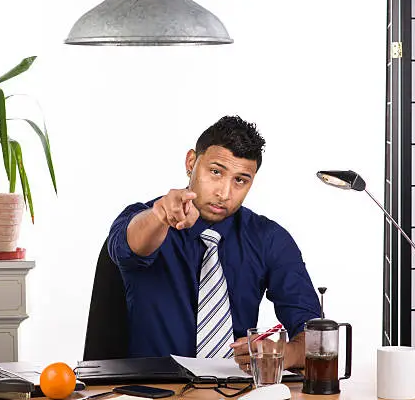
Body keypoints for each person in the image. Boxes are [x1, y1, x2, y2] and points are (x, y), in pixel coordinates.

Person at [107, 115, 320, 371]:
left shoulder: (269, 239)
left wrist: (288, 353)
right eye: (216, 172)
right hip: (155, 389)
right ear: (191, 162)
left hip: (235, 389)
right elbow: (131, 247)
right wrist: (159, 217)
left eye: (240, 180)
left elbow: (316, 334)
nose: (224, 193)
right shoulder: (144, 219)